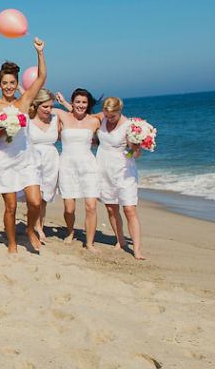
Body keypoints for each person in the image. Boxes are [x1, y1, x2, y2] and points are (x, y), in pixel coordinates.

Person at [0, 37, 48, 253]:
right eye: (5, 83)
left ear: (16, 84)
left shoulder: (24, 101)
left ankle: (29, 230)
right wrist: (4, 130)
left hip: (26, 158)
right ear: (0, 84)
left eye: (12, 83)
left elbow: (42, 77)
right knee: (10, 207)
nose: (8, 87)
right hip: (5, 160)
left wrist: (39, 52)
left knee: (35, 202)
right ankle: (11, 243)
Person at [96, 96, 145, 259]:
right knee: (110, 207)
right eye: (107, 115)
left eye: (113, 116)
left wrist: (134, 149)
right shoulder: (101, 119)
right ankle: (120, 240)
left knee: (129, 208)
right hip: (104, 168)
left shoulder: (130, 127)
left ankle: (137, 249)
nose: (109, 119)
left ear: (120, 111)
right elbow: (80, 116)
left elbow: (134, 154)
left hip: (124, 170)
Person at [53, 88, 101, 251]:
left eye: (84, 102)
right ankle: (71, 231)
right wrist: (20, 89)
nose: (81, 105)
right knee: (69, 208)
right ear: (72, 102)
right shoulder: (62, 116)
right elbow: (39, 106)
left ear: (89, 104)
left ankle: (90, 242)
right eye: (78, 102)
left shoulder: (95, 120)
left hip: (88, 166)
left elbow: (116, 116)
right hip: (67, 165)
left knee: (91, 206)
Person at [26, 89, 61, 244]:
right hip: (33, 159)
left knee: (45, 196)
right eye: (45, 106)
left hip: (51, 160)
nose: (49, 110)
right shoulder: (28, 119)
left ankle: (40, 225)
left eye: (51, 106)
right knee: (35, 196)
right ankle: (35, 227)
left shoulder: (55, 119)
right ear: (36, 105)